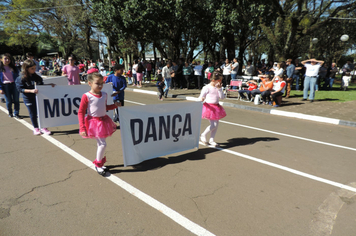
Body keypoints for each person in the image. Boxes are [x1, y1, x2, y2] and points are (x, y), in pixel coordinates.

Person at [78, 73, 121, 175]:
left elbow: (104, 107)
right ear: (90, 83)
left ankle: (99, 162)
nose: (100, 86)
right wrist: (82, 127)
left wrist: (114, 106)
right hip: (93, 122)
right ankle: (98, 164)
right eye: (97, 83)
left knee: (101, 144)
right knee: (103, 144)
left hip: (103, 121)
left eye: (102, 83)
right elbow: (81, 112)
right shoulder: (87, 96)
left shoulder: (104, 94)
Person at [15, 60, 55, 135]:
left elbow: (41, 86)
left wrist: (49, 85)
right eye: (32, 69)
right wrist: (31, 91)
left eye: (34, 68)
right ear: (26, 68)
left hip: (39, 97)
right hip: (29, 98)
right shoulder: (21, 78)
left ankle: (43, 127)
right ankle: (36, 128)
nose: (34, 70)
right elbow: (20, 89)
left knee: (41, 112)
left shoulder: (36, 77)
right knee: (33, 113)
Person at [199, 71, 226, 147]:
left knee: (216, 125)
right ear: (213, 80)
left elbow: (222, 97)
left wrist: (220, 89)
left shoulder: (218, 88)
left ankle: (212, 139)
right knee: (213, 125)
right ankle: (203, 135)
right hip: (209, 108)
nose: (220, 83)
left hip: (217, 107)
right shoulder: (206, 87)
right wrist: (201, 99)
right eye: (219, 81)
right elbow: (201, 96)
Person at [0, 53, 21, 118]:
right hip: (6, 86)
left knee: (16, 100)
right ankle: (10, 112)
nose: (7, 60)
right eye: (5, 59)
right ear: (1, 59)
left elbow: (18, 77)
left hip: (14, 85)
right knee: (9, 101)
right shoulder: (0, 68)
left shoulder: (14, 68)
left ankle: (16, 113)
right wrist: (0, 88)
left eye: (8, 59)